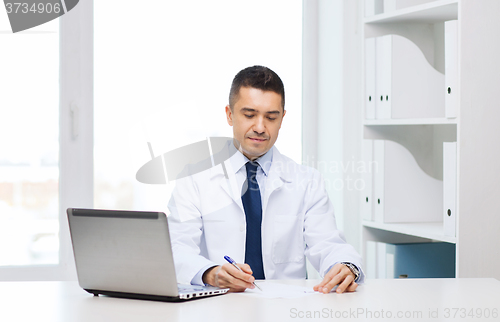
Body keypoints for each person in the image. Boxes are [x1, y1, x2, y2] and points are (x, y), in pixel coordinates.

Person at [167, 65, 364, 294]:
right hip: (217, 306)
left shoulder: (307, 181)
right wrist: (210, 272)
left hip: (285, 308)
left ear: (282, 118)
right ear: (230, 115)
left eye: (271, 117)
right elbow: (176, 248)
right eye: (249, 115)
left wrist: (346, 266)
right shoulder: (194, 179)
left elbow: (328, 243)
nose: (260, 127)